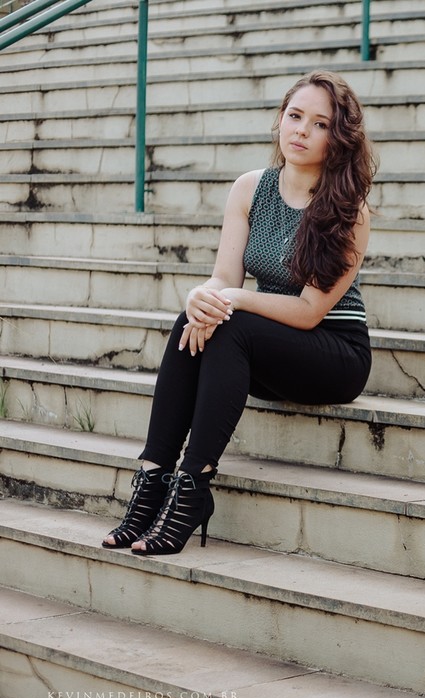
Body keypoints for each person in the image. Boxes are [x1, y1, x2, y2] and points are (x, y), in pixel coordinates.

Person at [101, 70, 377, 555]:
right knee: (198, 319)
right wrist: (201, 296)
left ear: (339, 138)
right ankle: (152, 480)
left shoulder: (348, 210)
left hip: (335, 353)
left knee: (233, 324)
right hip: (268, 341)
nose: (301, 131)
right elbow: (225, 278)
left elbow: (311, 311)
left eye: (319, 124)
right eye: (295, 117)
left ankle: (192, 488)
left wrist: (236, 300)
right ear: (279, 120)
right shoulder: (251, 187)